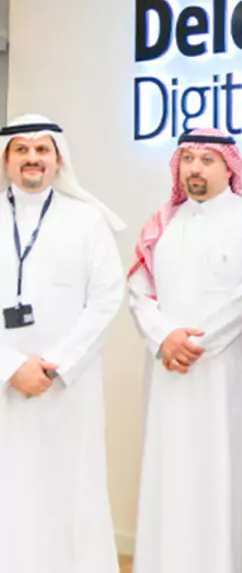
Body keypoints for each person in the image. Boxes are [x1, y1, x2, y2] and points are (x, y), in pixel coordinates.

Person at [128, 128, 242, 573]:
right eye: (188, 159)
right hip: (170, 373)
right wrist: (164, 338)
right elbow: (138, 290)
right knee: (171, 476)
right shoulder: (162, 223)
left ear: (229, 167)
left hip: (228, 375)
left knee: (226, 477)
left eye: (207, 159)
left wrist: (196, 343)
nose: (195, 168)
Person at [0, 114, 125, 573]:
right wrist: (10, 367)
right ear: (6, 159)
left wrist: (56, 364)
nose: (32, 158)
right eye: (21, 149)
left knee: (70, 490)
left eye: (42, 149)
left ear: (58, 159)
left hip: (67, 388)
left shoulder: (87, 220)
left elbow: (107, 298)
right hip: (5, 388)